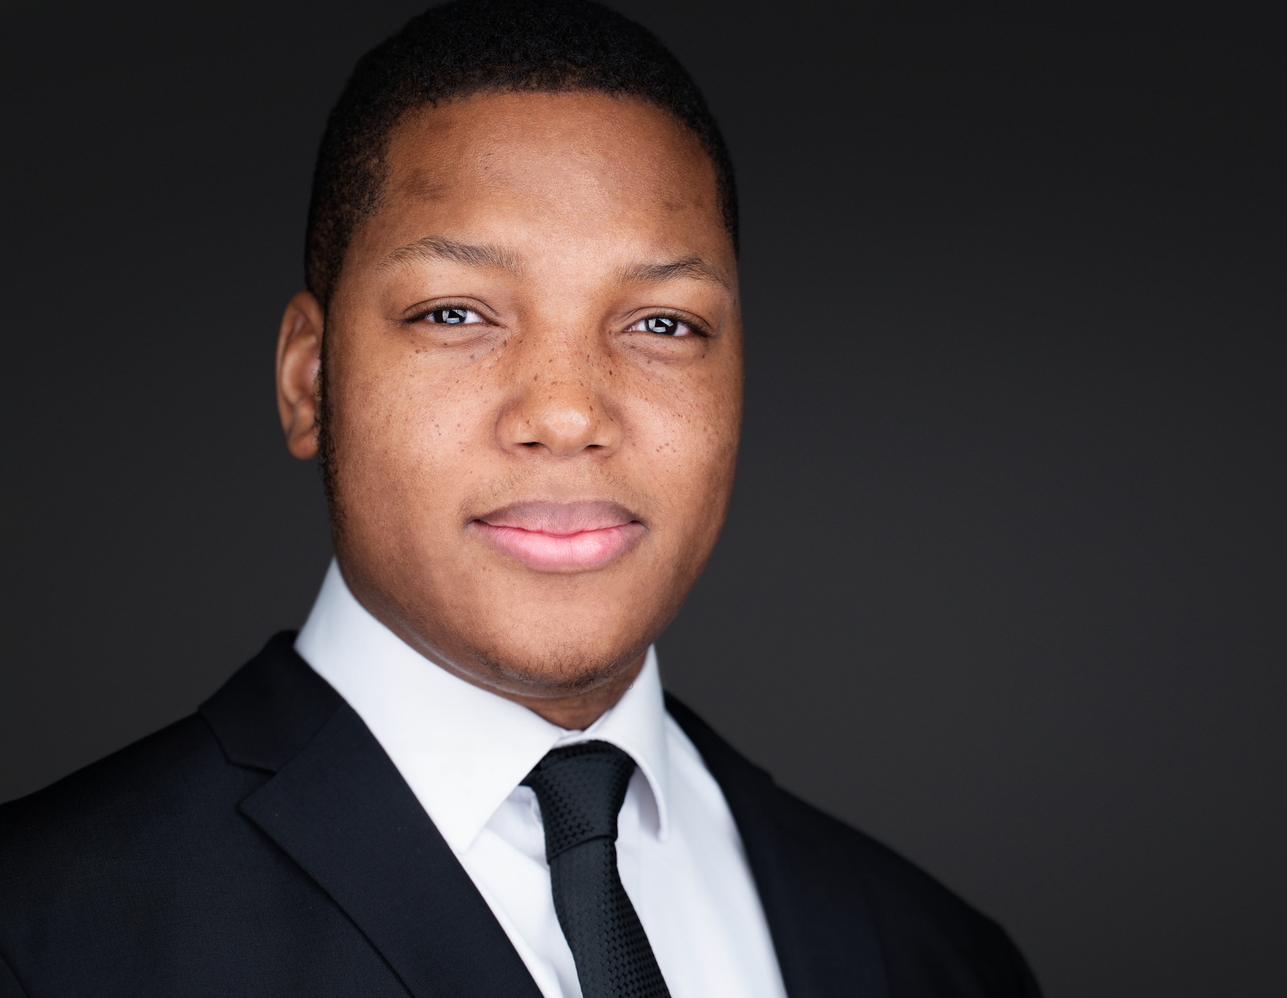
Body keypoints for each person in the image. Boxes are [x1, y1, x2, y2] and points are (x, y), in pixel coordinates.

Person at [0, 2, 1040, 995]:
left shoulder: (935, 957)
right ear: (310, 379)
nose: (567, 411)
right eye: (456, 312)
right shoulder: (41, 935)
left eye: (664, 323)